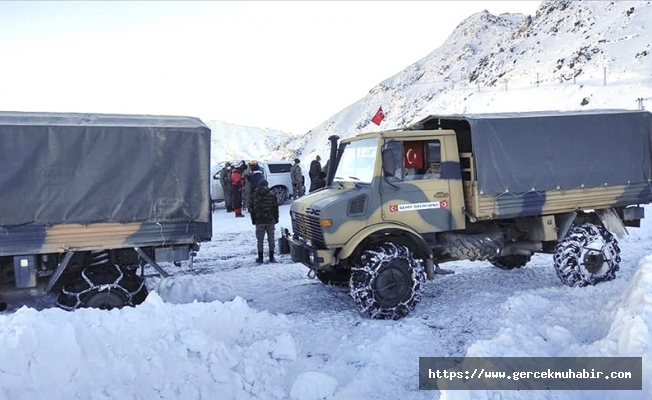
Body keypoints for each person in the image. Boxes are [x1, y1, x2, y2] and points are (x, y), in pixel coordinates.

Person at [250, 179, 279, 263]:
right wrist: (276, 218)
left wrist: (253, 220)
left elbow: (251, 209)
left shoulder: (254, 195)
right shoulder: (272, 194)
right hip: (270, 220)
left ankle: (260, 257)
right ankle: (271, 257)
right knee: (271, 239)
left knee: (260, 240)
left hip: (259, 220)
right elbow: (275, 208)